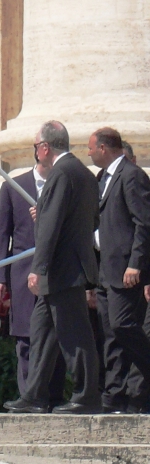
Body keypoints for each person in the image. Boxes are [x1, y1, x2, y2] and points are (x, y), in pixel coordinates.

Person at [5, 121, 102, 414]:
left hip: (62, 271)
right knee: (42, 333)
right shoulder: (84, 174)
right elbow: (90, 221)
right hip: (68, 269)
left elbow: (51, 226)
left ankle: (86, 397)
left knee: (75, 336)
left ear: (45, 147)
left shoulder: (61, 173)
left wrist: (39, 267)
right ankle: (34, 395)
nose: (36, 153)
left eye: (36, 147)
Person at [0, 159, 67, 401]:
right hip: (23, 273)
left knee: (55, 336)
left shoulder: (64, 184)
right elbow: (3, 235)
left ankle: (53, 397)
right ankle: (28, 398)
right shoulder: (14, 186)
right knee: (25, 338)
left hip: (57, 272)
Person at [89, 127, 150, 413]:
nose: (88, 153)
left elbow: (143, 223)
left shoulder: (132, 175)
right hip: (104, 268)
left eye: (91, 148)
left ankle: (141, 381)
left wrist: (136, 263)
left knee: (123, 325)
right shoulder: (102, 179)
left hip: (125, 269)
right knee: (110, 333)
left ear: (104, 148)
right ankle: (115, 392)